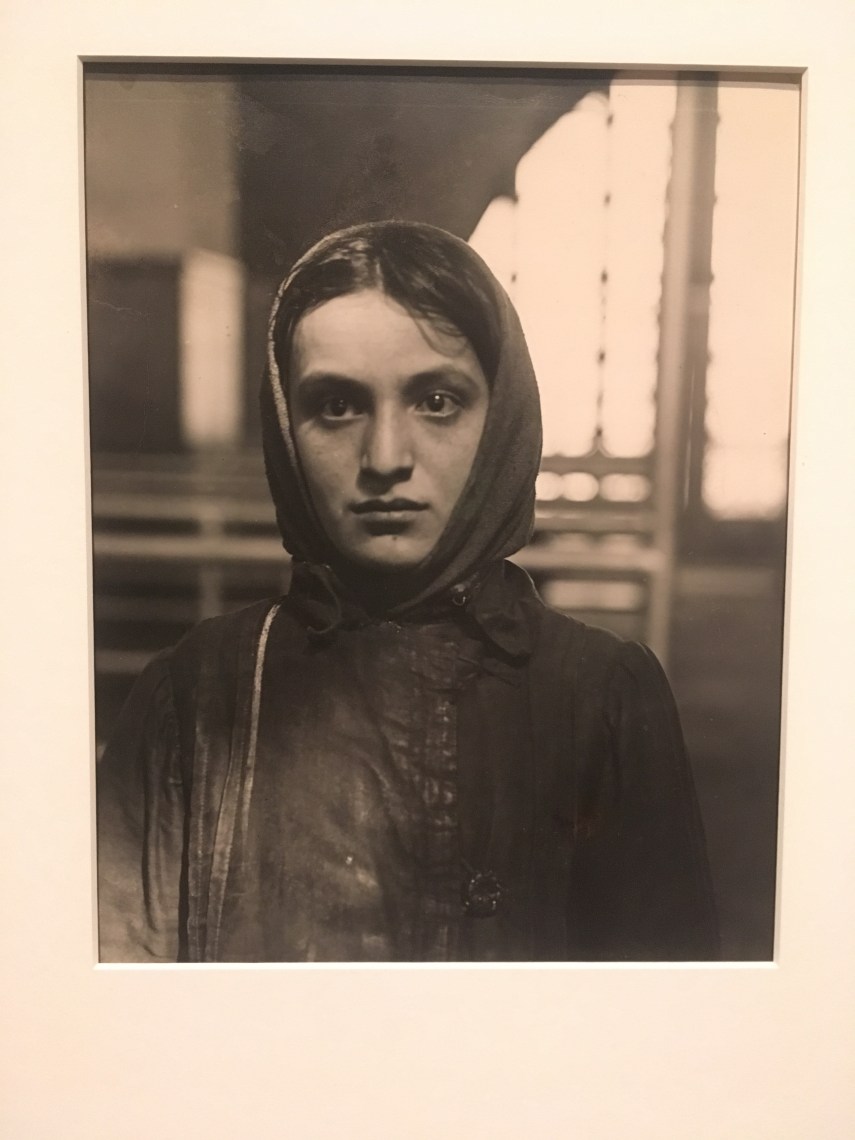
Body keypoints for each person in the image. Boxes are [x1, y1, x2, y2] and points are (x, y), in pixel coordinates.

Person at [96, 220, 719, 963]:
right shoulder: (195, 692)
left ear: (502, 421)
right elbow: (124, 1018)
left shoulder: (603, 695)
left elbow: (663, 1034)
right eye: (336, 406)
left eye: (436, 401)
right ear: (285, 428)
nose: (385, 458)